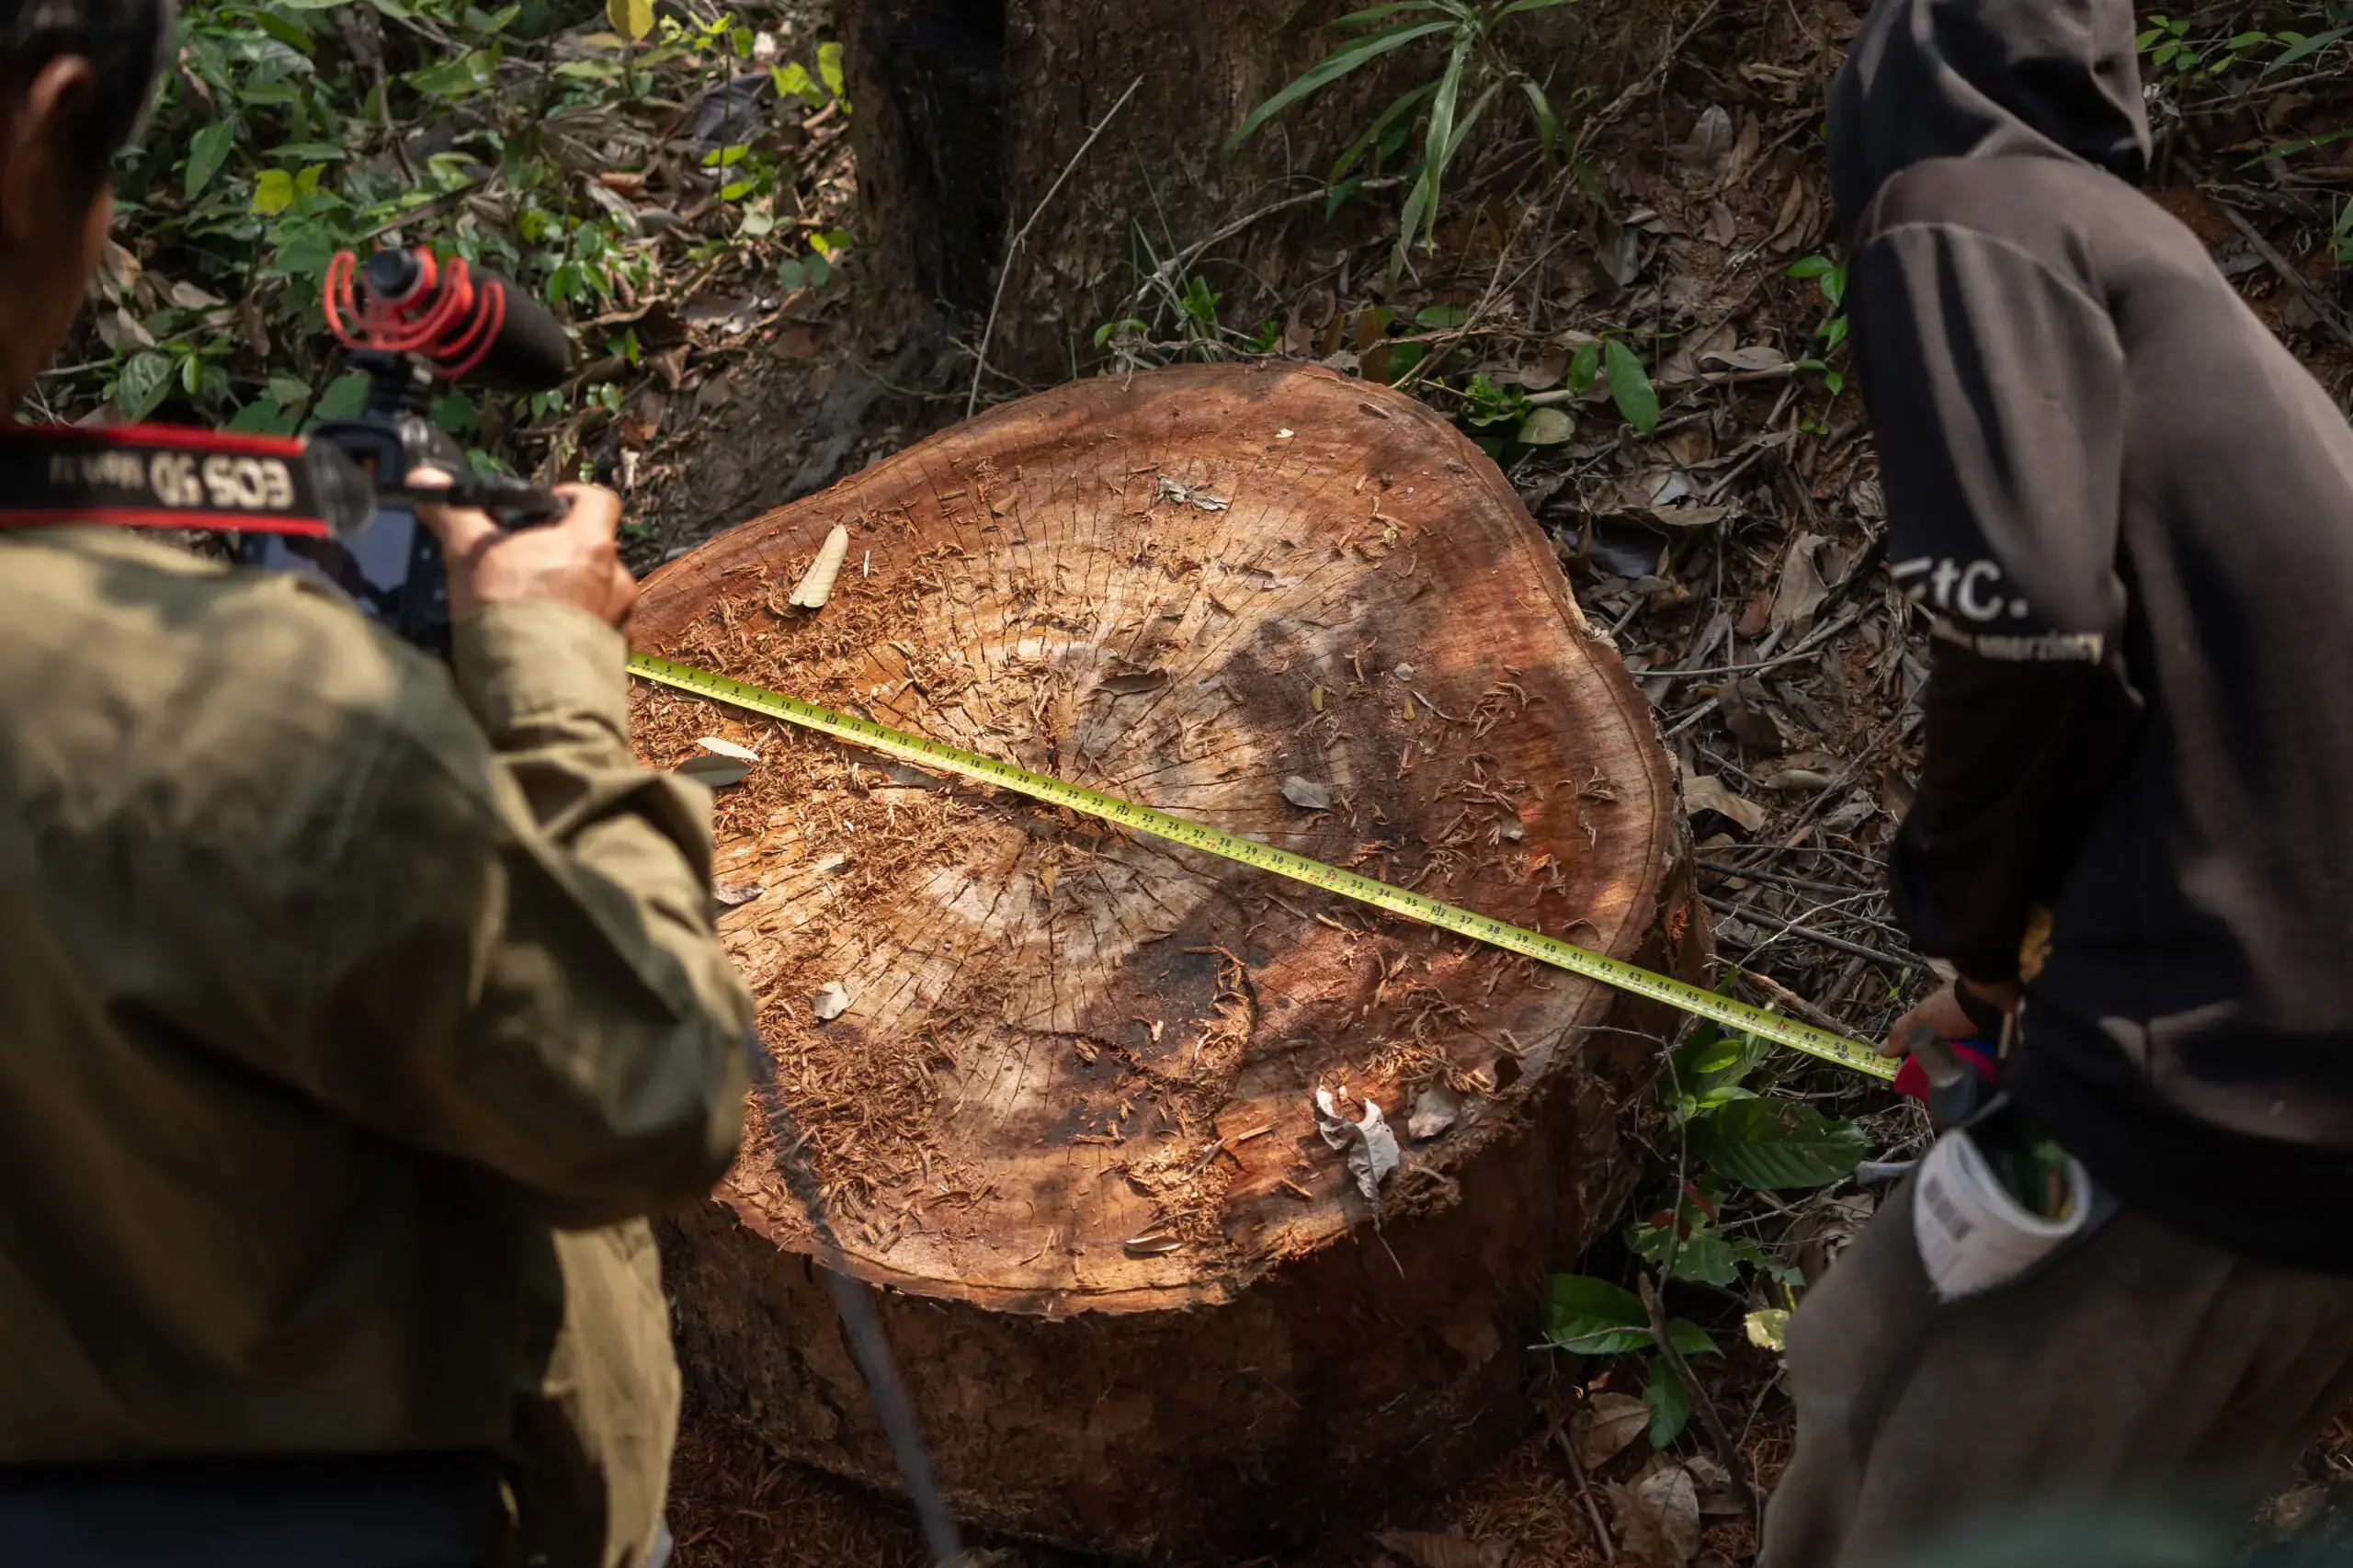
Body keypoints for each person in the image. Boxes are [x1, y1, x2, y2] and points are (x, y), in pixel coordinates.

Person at [0, 2, 754, 1564]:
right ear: (35, 135)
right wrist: (550, 682)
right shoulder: (234, 715)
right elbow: (653, 1089)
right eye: (109, 162)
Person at [1757, 2, 2353, 1563]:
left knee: (1899, 1480)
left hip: (2201, 1099)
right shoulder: (2170, 297)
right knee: (1870, 1354)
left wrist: (1965, 932)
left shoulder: (1966, 207)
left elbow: (2027, 614)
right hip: (2274, 1113)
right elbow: (2197, 722)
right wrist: (2018, 985)